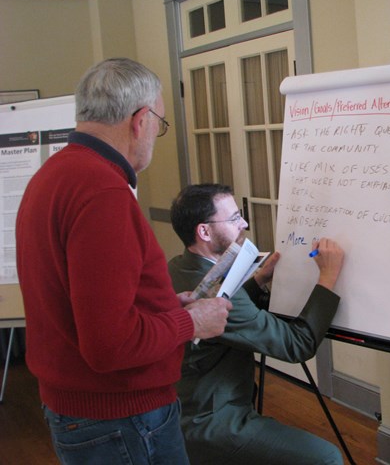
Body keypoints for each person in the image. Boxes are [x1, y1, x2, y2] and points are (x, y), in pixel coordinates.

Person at [15, 58, 232, 465]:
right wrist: (191, 322)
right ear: (140, 120)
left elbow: (83, 301)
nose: (155, 135)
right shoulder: (102, 192)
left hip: (86, 407)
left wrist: (167, 308)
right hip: (120, 414)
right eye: (160, 124)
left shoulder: (52, 175)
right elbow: (109, 345)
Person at [168, 183, 345, 465]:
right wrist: (328, 277)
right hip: (212, 421)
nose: (244, 224)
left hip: (183, 408)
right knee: (327, 458)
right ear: (204, 231)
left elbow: (227, 315)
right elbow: (296, 345)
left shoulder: (178, 267)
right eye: (234, 218)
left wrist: (258, 280)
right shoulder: (210, 287)